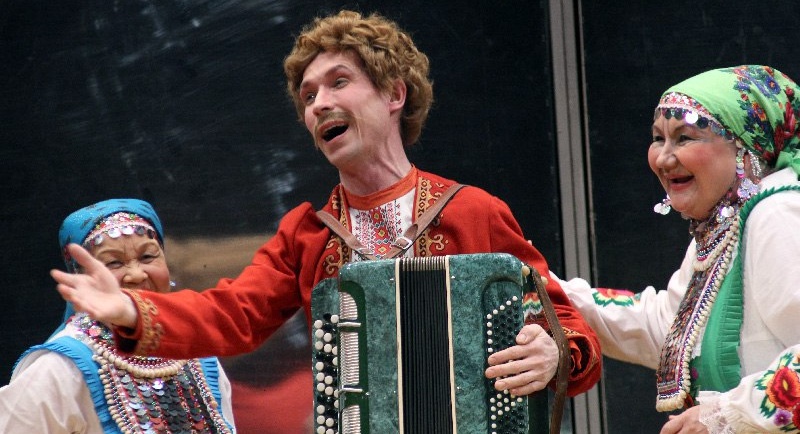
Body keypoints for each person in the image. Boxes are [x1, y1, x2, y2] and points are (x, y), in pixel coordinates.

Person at [50, 10, 601, 402]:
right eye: (308, 95)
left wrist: (554, 353)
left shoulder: (472, 211)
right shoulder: (307, 235)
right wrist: (132, 311)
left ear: (394, 94)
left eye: (339, 83)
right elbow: (232, 314)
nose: (319, 104)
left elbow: (569, 326)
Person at [559, 65, 800, 433]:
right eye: (659, 138)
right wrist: (546, 287)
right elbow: (667, 328)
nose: (663, 158)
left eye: (684, 138)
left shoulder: (777, 215)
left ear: (745, 147)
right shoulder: (726, 227)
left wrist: (724, 416)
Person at [0, 198, 236, 433]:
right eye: (113, 263)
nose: (136, 274)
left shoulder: (196, 352)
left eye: (147, 257)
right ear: (82, 277)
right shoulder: (60, 369)